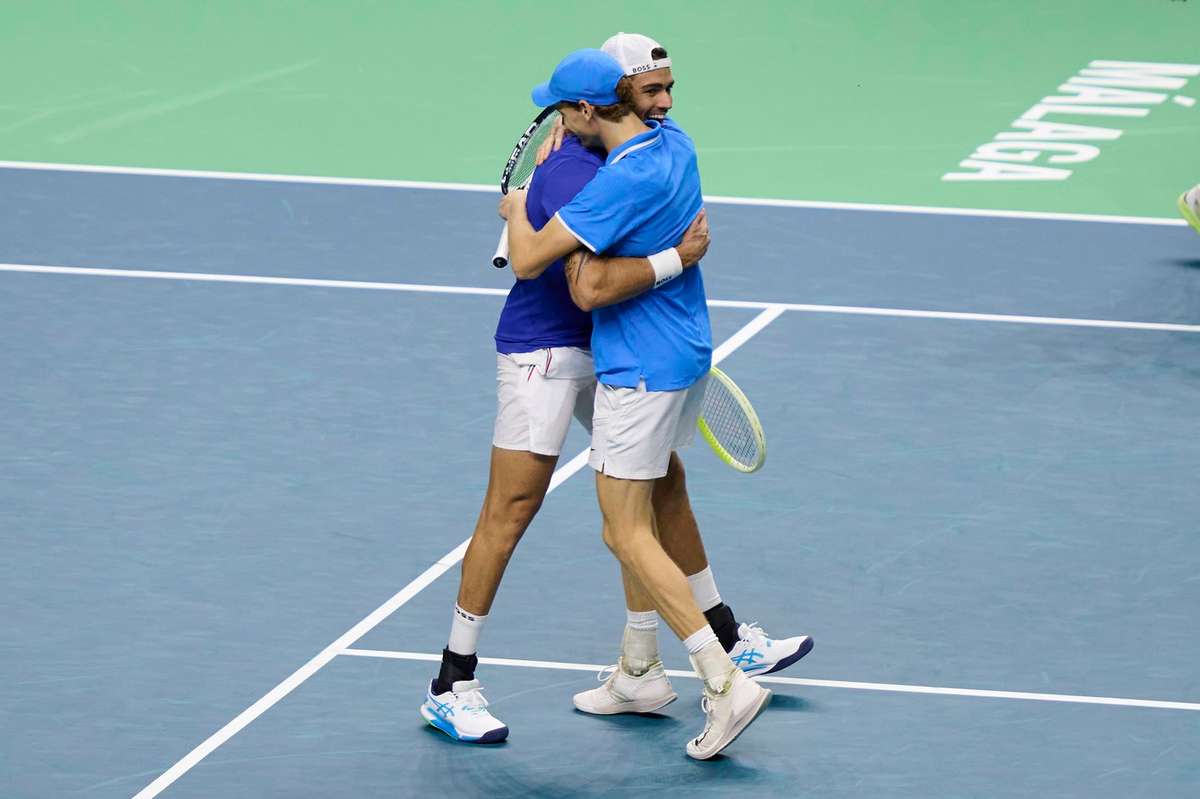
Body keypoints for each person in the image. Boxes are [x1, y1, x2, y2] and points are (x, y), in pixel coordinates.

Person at [498, 47, 770, 760]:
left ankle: (722, 679)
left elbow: (551, 272)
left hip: (637, 370)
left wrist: (520, 207)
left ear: (588, 112)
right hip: (686, 352)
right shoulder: (675, 147)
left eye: (566, 110)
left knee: (624, 532)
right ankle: (639, 671)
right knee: (646, 507)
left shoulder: (613, 189)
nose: (668, 101)